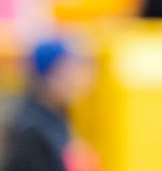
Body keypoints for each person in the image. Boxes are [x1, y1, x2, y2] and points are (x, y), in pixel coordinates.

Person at [1, 38, 99, 171]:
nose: (77, 78)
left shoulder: (55, 116)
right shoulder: (30, 128)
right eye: (67, 71)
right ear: (48, 75)